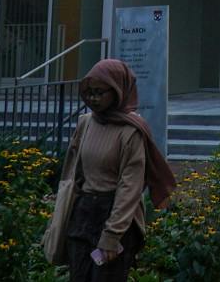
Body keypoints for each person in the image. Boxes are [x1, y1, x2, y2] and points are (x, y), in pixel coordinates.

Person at [54, 58, 177, 281]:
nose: (93, 98)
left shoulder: (131, 130)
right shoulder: (86, 122)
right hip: (83, 214)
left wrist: (112, 235)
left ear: (118, 91)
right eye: (89, 92)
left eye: (100, 92)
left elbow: (130, 187)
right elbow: (74, 171)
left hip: (115, 216)